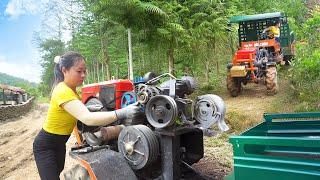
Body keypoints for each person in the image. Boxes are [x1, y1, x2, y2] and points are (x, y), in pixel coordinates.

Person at [33, 51, 142, 180]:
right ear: (64, 70)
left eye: (85, 71)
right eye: (79, 71)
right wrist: (122, 112)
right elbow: (87, 118)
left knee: (57, 172)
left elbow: (77, 113)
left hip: (59, 143)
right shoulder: (62, 90)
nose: (83, 75)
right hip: (46, 146)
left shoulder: (72, 90)